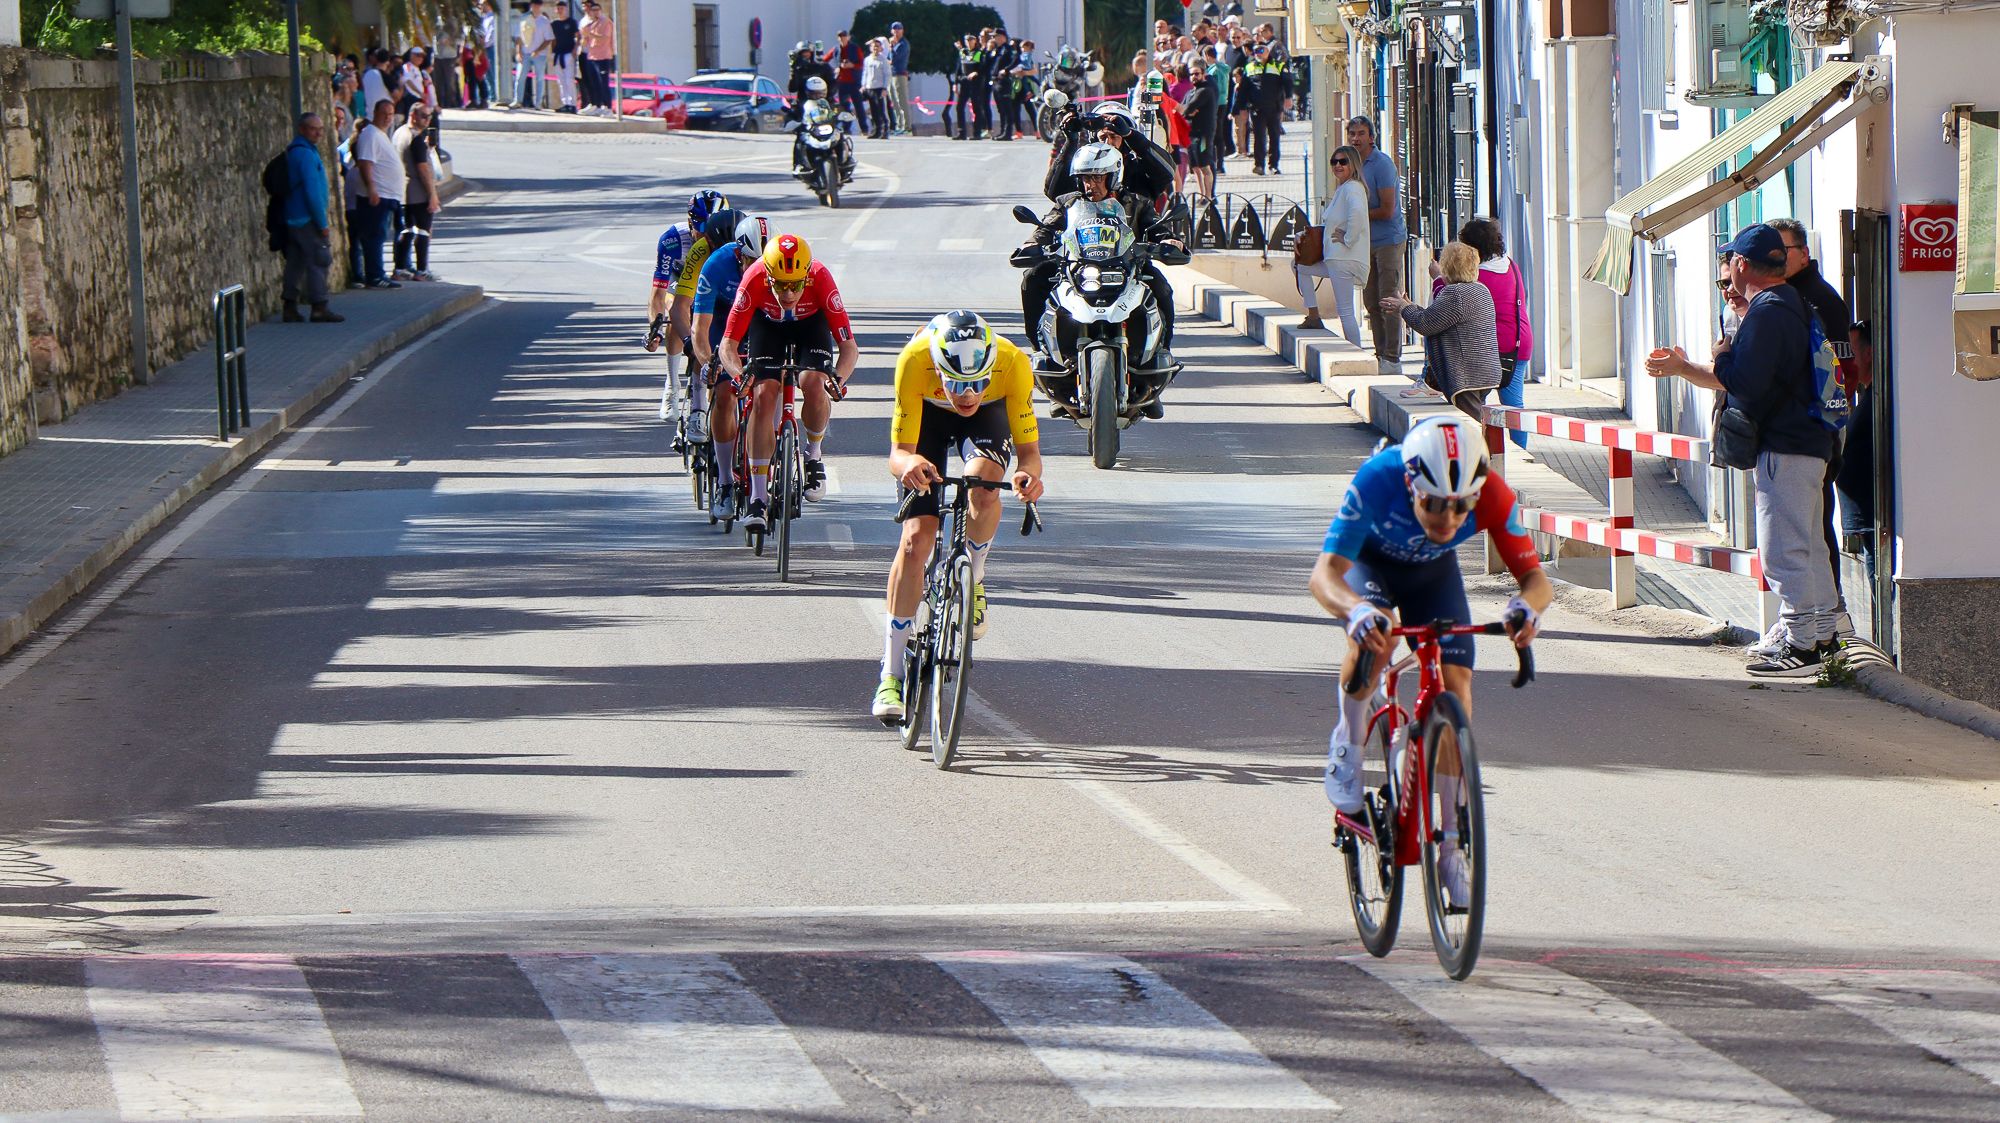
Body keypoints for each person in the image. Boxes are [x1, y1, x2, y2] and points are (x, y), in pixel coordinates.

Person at [1309, 415, 1551, 906]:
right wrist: (1355, 611)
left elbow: (1536, 581)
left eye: (1461, 508)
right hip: (1371, 568)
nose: (1448, 520)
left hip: (1431, 578)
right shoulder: (1377, 479)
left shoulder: (1494, 494)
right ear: (1410, 483)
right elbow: (1324, 576)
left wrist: (1527, 608)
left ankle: (1451, 848)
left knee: (1457, 689)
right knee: (1374, 645)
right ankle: (1348, 745)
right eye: (1434, 505)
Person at [1643, 224, 1837, 676]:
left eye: (1729, 263)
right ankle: (1823, 635)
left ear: (1743, 265)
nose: (1727, 273)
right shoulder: (1790, 304)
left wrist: (1723, 353)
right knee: (1808, 543)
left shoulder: (1766, 311)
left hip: (1785, 446)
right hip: (1808, 441)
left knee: (1783, 550)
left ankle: (1802, 646)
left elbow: (1746, 383)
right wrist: (1692, 367)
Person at [872, 311, 1047, 721]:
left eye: (976, 383)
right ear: (938, 366)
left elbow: (1030, 457)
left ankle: (975, 575)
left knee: (984, 485)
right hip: (927, 419)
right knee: (918, 538)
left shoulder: (1012, 363)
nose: (967, 394)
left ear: (990, 367)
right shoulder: (915, 360)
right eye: (957, 384)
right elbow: (897, 453)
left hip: (992, 416)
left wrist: (1028, 478)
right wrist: (910, 463)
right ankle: (891, 673)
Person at [719, 235, 860, 532]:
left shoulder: (820, 277)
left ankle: (814, 455)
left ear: (806, 274)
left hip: (811, 327)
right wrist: (738, 375)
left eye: (796, 284)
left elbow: (849, 347)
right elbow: (728, 345)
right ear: (767, 275)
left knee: (814, 382)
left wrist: (838, 379)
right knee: (763, 394)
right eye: (780, 284)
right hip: (767, 327)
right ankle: (758, 496)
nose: (788, 293)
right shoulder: (753, 278)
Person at [1020, 143, 1181, 394]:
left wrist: (1168, 240)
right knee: (1032, 279)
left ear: (1114, 175)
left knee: (1161, 287)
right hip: (1077, 267)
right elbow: (1047, 228)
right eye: (1085, 177)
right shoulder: (1068, 202)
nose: (1090, 184)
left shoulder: (1136, 203)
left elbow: (1155, 227)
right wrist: (1033, 242)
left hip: (1128, 268)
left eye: (1096, 176)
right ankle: (1041, 349)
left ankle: (1161, 352)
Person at [1768, 217, 1857, 639]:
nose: (1774, 260)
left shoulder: (1815, 300)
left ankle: (1822, 625)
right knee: (1804, 531)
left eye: (1781, 252)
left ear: (1803, 253)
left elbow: (1840, 371)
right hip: (1804, 431)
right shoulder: (1787, 297)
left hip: (1812, 432)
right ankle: (1818, 622)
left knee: (1809, 532)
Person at [689, 211, 769, 521]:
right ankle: (724, 481)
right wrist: (709, 362)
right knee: (724, 394)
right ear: (738, 253)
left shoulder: (773, 268)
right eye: (750, 262)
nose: (755, 269)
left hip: (759, 317)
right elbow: (699, 328)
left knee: (769, 388)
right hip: (724, 317)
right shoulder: (717, 265)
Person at [1379, 243, 1502, 419]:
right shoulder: (1480, 289)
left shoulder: (1455, 293)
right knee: (1477, 417)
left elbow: (1425, 324)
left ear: (1447, 267)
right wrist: (1408, 307)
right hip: (1485, 371)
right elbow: (1438, 318)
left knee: (1471, 422)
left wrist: (1404, 307)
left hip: (1467, 375)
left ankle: (1484, 447)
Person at [645, 189, 731, 426]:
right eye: (699, 230)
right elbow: (658, 293)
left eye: (709, 231)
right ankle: (672, 386)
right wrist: (656, 327)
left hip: (710, 283)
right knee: (676, 309)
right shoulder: (672, 240)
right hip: (681, 280)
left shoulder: (730, 235)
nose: (704, 238)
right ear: (690, 222)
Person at [1458, 217, 1535, 449]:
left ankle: (1481, 451)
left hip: (1494, 346)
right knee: (1513, 406)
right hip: (1520, 341)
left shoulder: (1478, 277)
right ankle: (1521, 454)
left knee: (1471, 401)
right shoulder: (1510, 265)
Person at [1349, 116, 1407, 375]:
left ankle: (1392, 358)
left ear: (1371, 137)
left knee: (1389, 300)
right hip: (1364, 243)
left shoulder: (1382, 165)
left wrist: (1356, 213)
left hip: (1388, 241)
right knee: (1371, 301)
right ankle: (1380, 353)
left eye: (1361, 133)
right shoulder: (1350, 164)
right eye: (1352, 133)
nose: (1355, 138)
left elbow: (1387, 209)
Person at [1295, 146, 1370, 343]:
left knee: (1345, 312)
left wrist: (1348, 238)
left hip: (1343, 257)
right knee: (1300, 266)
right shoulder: (1344, 188)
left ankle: (1357, 354)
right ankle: (1313, 315)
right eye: (1334, 162)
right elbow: (1332, 223)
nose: (1338, 165)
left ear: (1353, 164)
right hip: (1336, 258)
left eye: (1343, 161)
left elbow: (1359, 213)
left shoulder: (1353, 187)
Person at [1043, 101, 1176, 204]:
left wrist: (1131, 136)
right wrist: (1071, 143)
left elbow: (1167, 173)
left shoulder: (1137, 169)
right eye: (1103, 137)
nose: (1108, 143)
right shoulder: (1084, 172)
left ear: (1124, 141)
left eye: (1114, 137)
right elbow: (1054, 193)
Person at [279, 114, 343, 324]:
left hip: (293, 217)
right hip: (307, 219)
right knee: (318, 261)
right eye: (313, 129)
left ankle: (289, 306)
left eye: (321, 129)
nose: (319, 133)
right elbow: (312, 192)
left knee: (295, 264)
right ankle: (319, 307)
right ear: (302, 129)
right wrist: (322, 223)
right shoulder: (306, 155)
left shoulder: (294, 151)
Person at [352, 98, 403, 289]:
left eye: (391, 114)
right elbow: (365, 163)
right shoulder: (370, 135)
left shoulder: (380, 134)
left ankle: (377, 273)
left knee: (379, 235)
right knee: (374, 236)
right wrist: (372, 188)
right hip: (377, 196)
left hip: (387, 195)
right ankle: (374, 276)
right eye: (384, 114)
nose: (388, 118)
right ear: (375, 113)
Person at [393, 105, 442, 282]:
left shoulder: (400, 133)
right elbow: (422, 168)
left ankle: (400, 268)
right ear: (412, 115)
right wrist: (432, 194)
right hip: (418, 190)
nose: (427, 120)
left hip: (402, 189)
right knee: (423, 230)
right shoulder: (415, 138)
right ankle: (422, 269)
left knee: (406, 230)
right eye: (423, 116)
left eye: (429, 117)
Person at [1242, 42, 1291, 175]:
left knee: (1274, 136)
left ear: (1268, 51)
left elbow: (1287, 82)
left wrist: (1288, 98)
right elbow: (1244, 88)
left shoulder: (1278, 65)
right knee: (1259, 138)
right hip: (1257, 109)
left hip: (1274, 107)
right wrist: (1239, 107)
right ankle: (1259, 165)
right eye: (1256, 51)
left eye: (1261, 50)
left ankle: (1273, 165)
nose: (1259, 53)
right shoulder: (1250, 67)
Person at [578, 0, 616, 115]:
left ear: (600, 10)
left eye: (596, 10)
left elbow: (604, 38)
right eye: (592, 10)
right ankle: (597, 105)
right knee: (594, 82)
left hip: (603, 56)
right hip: (592, 56)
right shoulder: (591, 23)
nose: (594, 12)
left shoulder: (606, 22)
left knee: (603, 82)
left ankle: (608, 107)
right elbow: (586, 41)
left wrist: (589, 34)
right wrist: (583, 37)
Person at [515, 0, 551, 109]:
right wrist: (518, 52)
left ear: (540, 6)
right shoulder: (523, 18)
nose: (535, 6)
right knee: (520, 77)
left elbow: (548, 39)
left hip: (539, 55)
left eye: (538, 4)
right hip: (525, 53)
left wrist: (538, 50)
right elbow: (518, 37)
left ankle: (538, 103)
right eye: (534, 4)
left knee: (539, 78)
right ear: (531, 5)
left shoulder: (544, 21)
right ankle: (517, 101)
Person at [829, 30, 867, 133]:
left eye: (844, 36)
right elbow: (825, 59)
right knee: (844, 107)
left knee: (858, 106)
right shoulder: (836, 49)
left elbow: (862, 63)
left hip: (854, 82)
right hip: (842, 83)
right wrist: (835, 69)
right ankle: (847, 128)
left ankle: (864, 129)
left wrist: (852, 65)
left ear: (848, 37)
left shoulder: (855, 48)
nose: (842, 38)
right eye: (840, 36)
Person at [547, 1, 579, 112]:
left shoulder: (571, 22)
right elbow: (552, 39)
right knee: (561, 81)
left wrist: (575, 50)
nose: (560, 10)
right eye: (558, 8)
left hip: (568, 53)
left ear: (566, 9)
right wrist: (552, 52)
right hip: (558, 53)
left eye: (562, 8)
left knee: (569, 79)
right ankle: (565, 103)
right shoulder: (554, 24)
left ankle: (573, 104)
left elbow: (578, 36)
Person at [861, 38, 892, 140]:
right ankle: (875, 131)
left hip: (879, 88)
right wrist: (863, 85)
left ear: (881, 48)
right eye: (874, 46)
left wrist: (885, 88)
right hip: (870, 87)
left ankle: (885, 130)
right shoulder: (867, 60)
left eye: (877, 46)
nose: (875, 48)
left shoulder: (883, 60)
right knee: (873, 111)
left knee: (881, 111)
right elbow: (865, 73)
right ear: (871, 48)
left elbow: (887, 75)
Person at [888, 22, 913, 135]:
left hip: (899, 75)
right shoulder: (892, 44)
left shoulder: (903, 44)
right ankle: (899, 125)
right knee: (894, 102)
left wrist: (892, 47)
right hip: (891, 75)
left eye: (898, 29)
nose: (896, 31)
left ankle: (907, 126)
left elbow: (893, 59)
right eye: (894, 29)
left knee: (902, 101)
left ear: (902, 30)